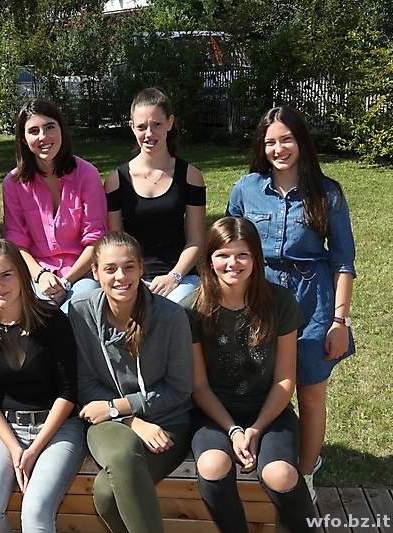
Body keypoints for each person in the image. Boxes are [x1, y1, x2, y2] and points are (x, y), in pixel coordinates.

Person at [226, 105, 356, 502]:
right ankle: (259, 463)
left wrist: (339, 322)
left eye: (287, 139)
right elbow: (228, 248)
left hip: (312, 303)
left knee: (310, 391)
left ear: (301, 141)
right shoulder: (245, 189)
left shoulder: (327, 193)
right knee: (259, 386)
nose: (279, 149)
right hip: (258, 300)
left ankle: (306, 474)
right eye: (270, 142)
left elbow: (343, 262)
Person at [181, 217, 317, 531]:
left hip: (269, 411)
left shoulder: (280, 302)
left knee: (280, 474)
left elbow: (285, 380)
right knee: (213, 465)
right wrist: (233, 431)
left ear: (256, 257)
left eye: (243, 254)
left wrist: (255, 429)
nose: (233, 263)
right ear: (209, 260)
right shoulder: (191, 310)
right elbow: (199, 386)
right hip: (213, 413)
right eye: (223, 255)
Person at [68, 231, 193, 533]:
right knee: (122, 454)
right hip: (108, 421)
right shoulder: (80, 311)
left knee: (107, 495)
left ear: (141, 269)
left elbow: (179, 389)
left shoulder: (171, 316)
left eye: (129, 267)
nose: (120, 277)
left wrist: (118, 407)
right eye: (110, 269)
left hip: (167, 423)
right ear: (95, 272)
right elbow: (83, 382)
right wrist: (129, 419)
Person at [0, 238, 85, 532]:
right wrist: (15, 448)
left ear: (21, 274)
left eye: (6, 275)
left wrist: (34, 449)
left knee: (35, 510)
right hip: (6, 429)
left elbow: (68, 392)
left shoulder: (53, 320)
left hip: (57, 429)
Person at [3, 98, 107, 311]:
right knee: (37, 312)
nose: (43, 137)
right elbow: (16, 243)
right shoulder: (13, 183)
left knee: (79, 308)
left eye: (50, 127)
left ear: (62, 130)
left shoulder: (87, 175)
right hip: (37, 274)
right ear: (24, 139)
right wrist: (41, 275)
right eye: (34, 131)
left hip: (82, 274)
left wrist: (66, 282)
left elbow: (95, 240)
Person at [104, 87, 206, 303]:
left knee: (174, 311)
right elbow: (115, 241)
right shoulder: (116, 180)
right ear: (132, 127)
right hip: (132, 279)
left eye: (157, 124)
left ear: (170, 122)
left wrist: (174, 276)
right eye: (141, 127)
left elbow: (196, 239)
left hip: (180, 277)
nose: (149, 134)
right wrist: (132, 279)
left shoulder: (190, 176)